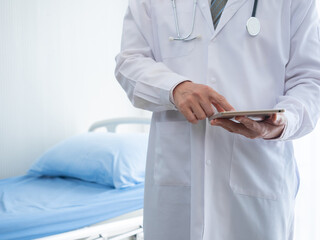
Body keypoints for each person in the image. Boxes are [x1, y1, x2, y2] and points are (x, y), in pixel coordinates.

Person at [115, 0, 320, 239]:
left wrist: (283, 122)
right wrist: (174, 88)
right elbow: (128, 62)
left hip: (256, 173)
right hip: (176, 180)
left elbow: (310, 80)